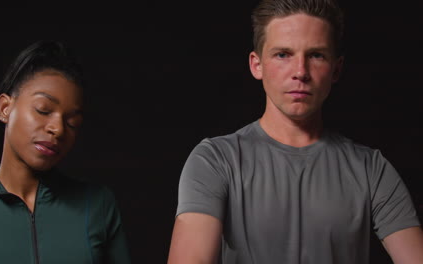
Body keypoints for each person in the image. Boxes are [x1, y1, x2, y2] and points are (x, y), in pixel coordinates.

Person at [167, 0, 423, 263]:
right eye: (283, 54)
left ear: (336, 69)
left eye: (316, 55)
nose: (300, 72)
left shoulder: (372, 169)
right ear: (257, 65)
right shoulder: (215, 161)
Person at [0, 41, 131, 264]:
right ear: (5, 108)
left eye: (72, 122)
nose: (57, 129)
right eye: (43, 110)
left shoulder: (97, 206)